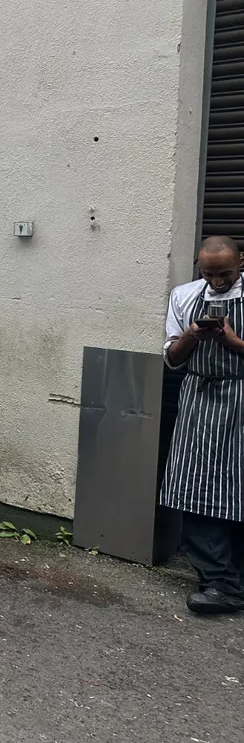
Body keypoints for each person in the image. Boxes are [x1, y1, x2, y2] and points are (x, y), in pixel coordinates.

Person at [161, 235, 244, 614]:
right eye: (208, 273)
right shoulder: (184, 295)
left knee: (238, 488)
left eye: (224, 273)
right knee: (198, 490)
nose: (216, 281)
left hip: (241, 397)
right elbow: (172, 359)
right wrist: (192, 336)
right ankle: (217, 582)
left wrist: (233, 342)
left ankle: (235, 579)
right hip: (199, 401)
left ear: (240, 262)